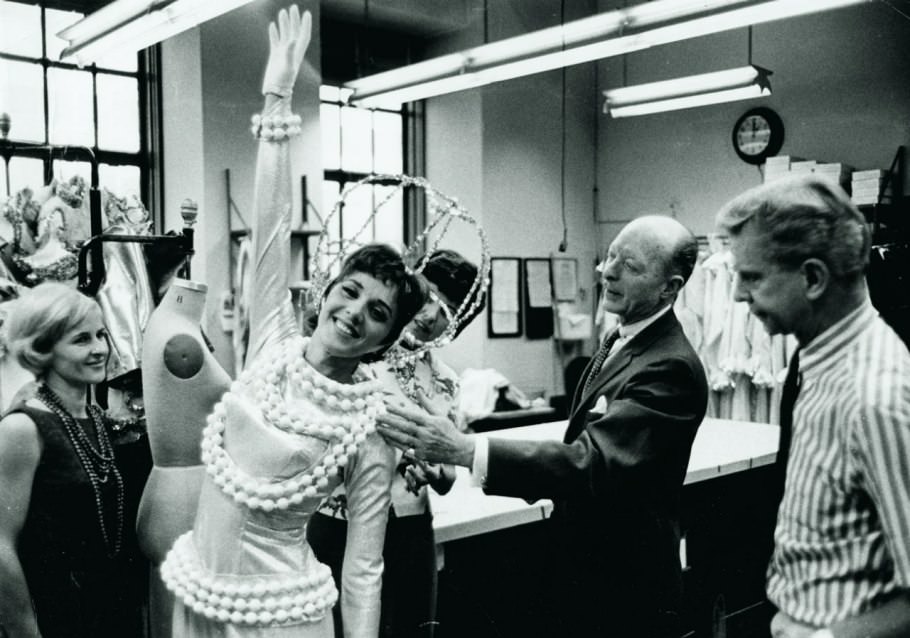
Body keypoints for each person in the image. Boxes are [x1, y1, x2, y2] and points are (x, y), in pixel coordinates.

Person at [158, 7, 425, 638]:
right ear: (327, 290)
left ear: (387, 338)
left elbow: (364, 567)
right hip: (200, 594)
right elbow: (272, 225)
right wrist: (277, 96)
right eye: (350, 292)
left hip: (279, 617)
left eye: (377, 312)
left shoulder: (370, 428)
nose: (354, 313)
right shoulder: (274, 340)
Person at [377, 215, 708, 638]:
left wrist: (463, 451)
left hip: (624, 580)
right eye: (609, 256)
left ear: (670, 287)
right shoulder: (623, 339)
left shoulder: (669, 364)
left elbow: (591, 462)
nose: (608, 271)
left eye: (631, 266)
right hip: (589, 569)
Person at [716, 174, 910, 638]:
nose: (738, 295)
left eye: (752, 277)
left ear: (813, 277)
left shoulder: (873, 396)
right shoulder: (818, 361)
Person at [308, 249, 485, 638]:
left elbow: (448, 477)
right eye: (428, 300)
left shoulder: (447, 382)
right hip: (338, 520)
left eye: (447, 312)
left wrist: (435, 470)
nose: (429, 317)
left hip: (409, 531)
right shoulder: (360, 355)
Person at [0, 282, 148, 637]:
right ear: (42, 348)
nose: (100, 349)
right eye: (81, 340)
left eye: (101, 335)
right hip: (56, 617)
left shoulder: (95, 417)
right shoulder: (22, 428)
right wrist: (26, 632)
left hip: (110, 612)